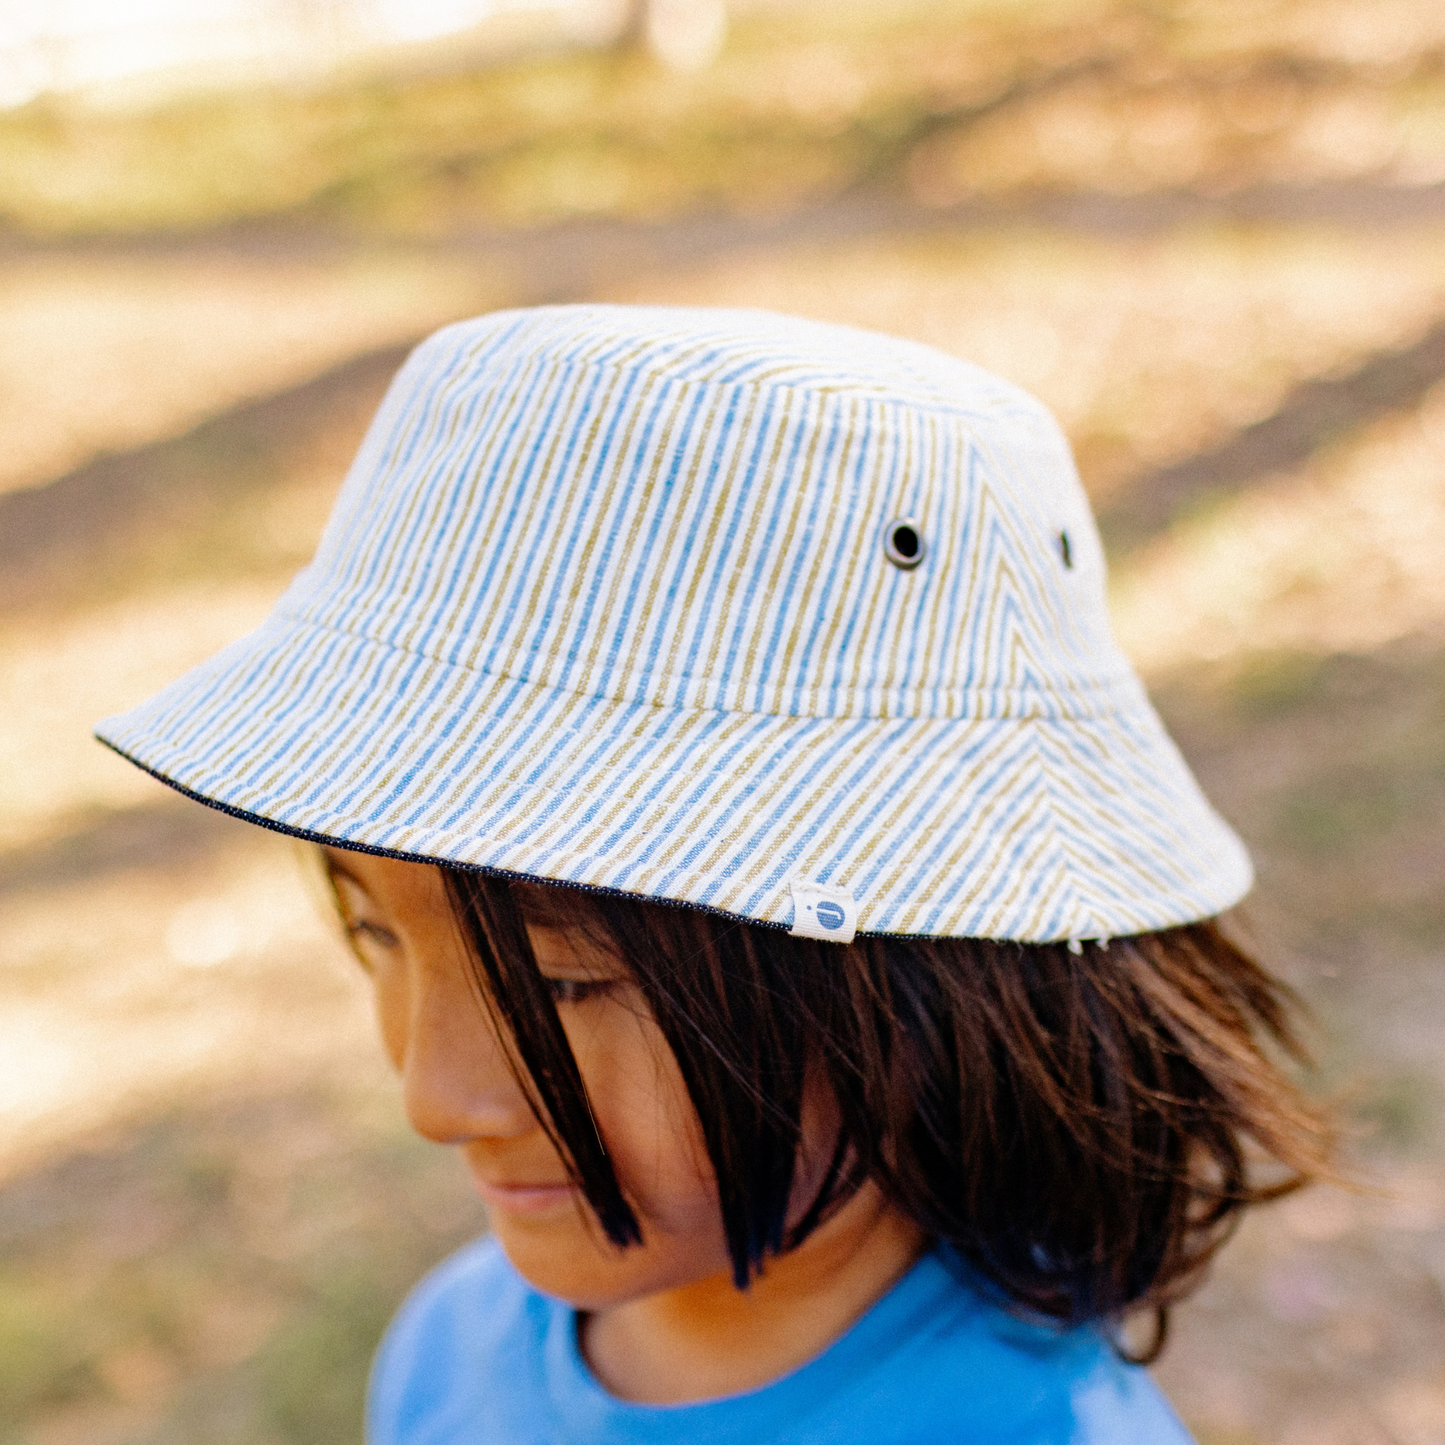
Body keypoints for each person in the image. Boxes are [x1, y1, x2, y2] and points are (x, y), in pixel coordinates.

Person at [96, 304, 1331, 1443]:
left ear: (927, 979)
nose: (433, 1093)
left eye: (566, 980)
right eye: (378, 937)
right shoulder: (453, 1344)